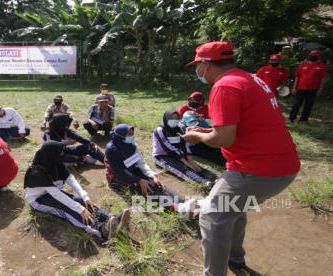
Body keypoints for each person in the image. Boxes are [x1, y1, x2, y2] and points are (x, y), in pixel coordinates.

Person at [184, 41, 300, 275]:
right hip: (283, 164)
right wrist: (210, 132)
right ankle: (235, 258)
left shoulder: (225, 86)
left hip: (257, 168)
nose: (198, 71)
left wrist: (197, 135)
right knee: (233, 208)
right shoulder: (250, 78)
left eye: (198, 66)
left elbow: (224, 139)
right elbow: (241, 126)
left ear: (206, 64)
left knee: (212, 216)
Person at [24, 141, 131, 240]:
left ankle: (111, 219)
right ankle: (102, 231)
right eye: (60, 153)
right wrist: (81, 210)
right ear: (52, 155)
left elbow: (69, 178)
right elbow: (56, 195)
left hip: (52, 192)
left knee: (80, 201)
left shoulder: (54, 161)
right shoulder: (37, 173)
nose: (63, 154)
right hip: (39, 200)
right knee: (68, 209)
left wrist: (85, 196)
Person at [105, 124, 196, 213]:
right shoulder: (111, 150)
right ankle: (174, 207)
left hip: (132, 170)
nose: (131, 136)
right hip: (117, 177)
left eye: (132, 134)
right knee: (144, 187)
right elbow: (120, 171)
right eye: (128, 135)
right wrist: (139, 180)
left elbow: (141, 163)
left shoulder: (132, 145)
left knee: (155, 183)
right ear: (120, 136)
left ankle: (181, 199)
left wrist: (152, 175)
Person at [152, 110, 217, 187]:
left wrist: (190, 160)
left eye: (176, 118)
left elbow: (185, 144)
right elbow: (168, 148)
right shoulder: (160, 130)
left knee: (195, 166)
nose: (174, 121)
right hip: (162, 156)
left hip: (177, 154)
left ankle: (213, 176)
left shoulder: (179, 129)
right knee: (182, 168)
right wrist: (185, 162)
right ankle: (205, 183)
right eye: (171, 118)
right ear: (166, 119)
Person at [289, 50, 329, 123]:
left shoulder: (322, 66)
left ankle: (303, 120)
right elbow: (297, 76)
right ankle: (292, 118)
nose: (312, 57)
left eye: (314, 56)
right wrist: (294, 87)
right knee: (296, 104)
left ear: (318, 57)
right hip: (300, 88)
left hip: (313, 89)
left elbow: (323, 78)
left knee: (308, 105)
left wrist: (320, 89)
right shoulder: (302, 65)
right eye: (311, 55)